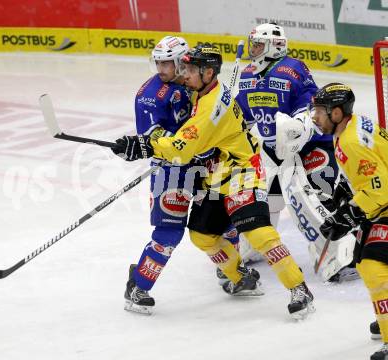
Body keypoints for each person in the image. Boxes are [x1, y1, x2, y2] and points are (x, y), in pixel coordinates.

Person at [112, 43, 315, 320]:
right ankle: (237, 275)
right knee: (202, 234)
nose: (184, 74)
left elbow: (182, 148)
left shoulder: (209, 108)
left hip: (242, 173)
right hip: (215, 176)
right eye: (184, 68)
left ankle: (299, 289)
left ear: (208, 73)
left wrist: (144, 146)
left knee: (259, 233)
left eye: (191, 70)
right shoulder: (200, 91)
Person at [233, 22, 357, 282]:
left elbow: (313, 107)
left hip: (310, 144)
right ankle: (256, 243)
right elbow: (242, 115)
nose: (252, 48)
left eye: (257, 44)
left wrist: (299, 126)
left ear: (273, 46)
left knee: (319, 198)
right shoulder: (247, 75)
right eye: (252, 43)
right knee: (263, 198)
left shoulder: (294, 69)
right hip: (271, 148)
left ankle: (344, 254)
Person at [313, 83, 388, 360]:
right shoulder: (347, 127)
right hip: (378, 205)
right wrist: (346, 189)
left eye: (319, 111)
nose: (314, 117)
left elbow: (382, 189)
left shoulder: (352, 140)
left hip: (383, 204)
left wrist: (349, 214)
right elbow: (372, 168)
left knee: (373, 265)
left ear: (336, 112)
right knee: (362, 257)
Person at [123, 35, 192, 315]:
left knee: (221, 222)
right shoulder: (149, 95)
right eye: (159, 63)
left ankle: (232, 273)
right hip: (172, 170)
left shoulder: (195, 79)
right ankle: (139, 285)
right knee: (168, 233)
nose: (161, 69)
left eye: (167, 63)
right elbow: (152, 137)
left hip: (207, 165)